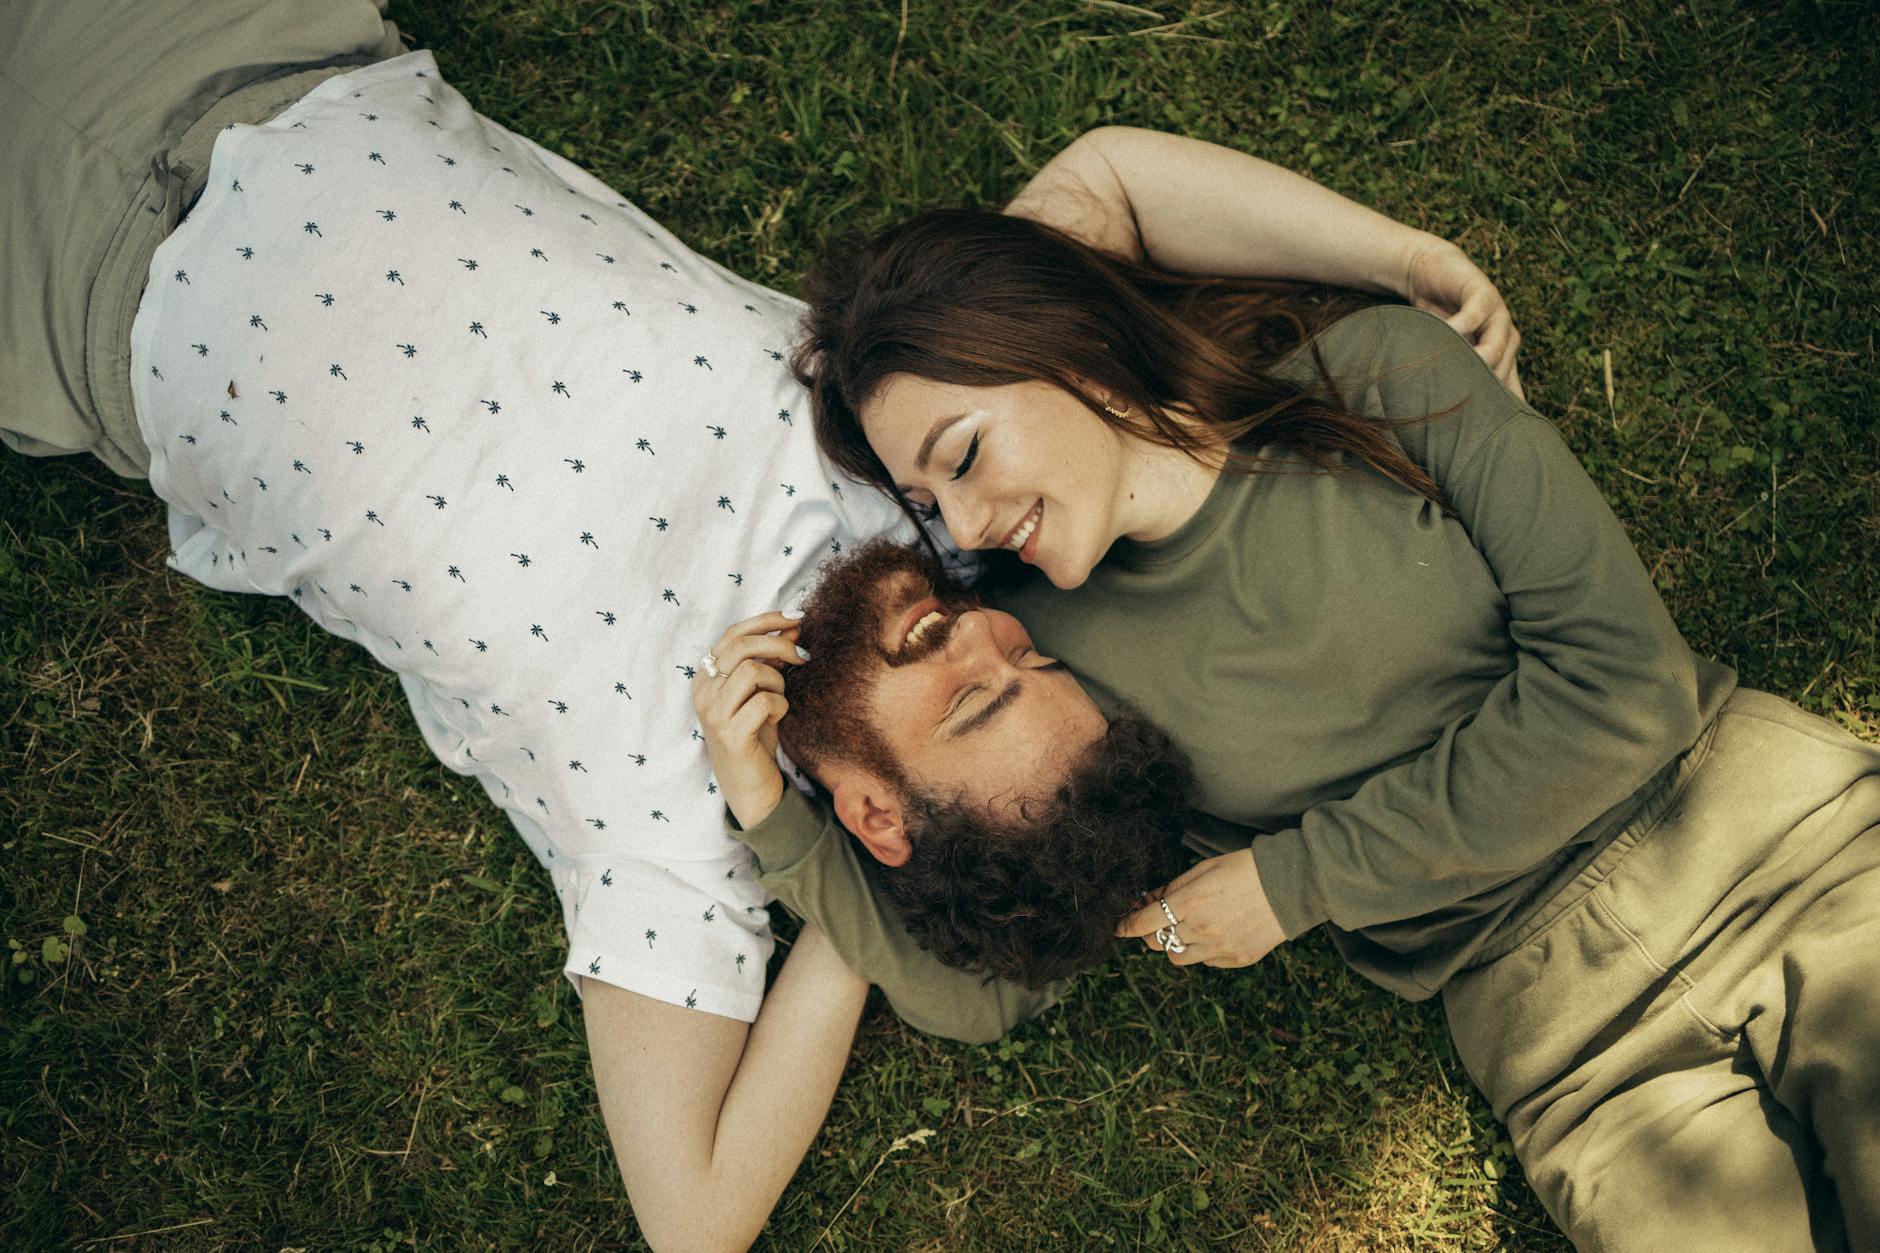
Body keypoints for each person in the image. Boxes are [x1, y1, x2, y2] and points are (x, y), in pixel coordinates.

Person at [3, 3, 1527, 1247]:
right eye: (1035, 656)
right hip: (279, 60)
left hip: (66, 291)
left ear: (875, 811)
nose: (981, 629)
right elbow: (1101, 184)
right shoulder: (933, 487)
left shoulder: (669, 829)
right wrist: (1406, 261)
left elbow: (700, 1216)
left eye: (976, 702)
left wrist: (820, 888)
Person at [724, 204, 1880, 1250]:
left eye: (964, 455)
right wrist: (776, 818)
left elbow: (1627, 683)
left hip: (1786, 853)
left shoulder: (1371, 378)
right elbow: (988, 990)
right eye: (927, 505)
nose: (964, 524)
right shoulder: (1045, 656)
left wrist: (1298, 878)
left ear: (1067, 351)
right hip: (1579, 1060)